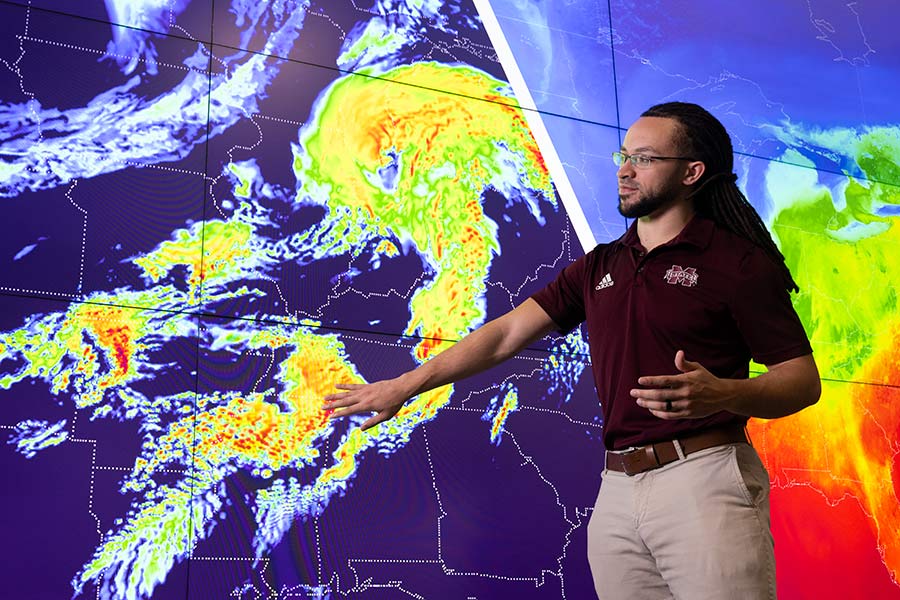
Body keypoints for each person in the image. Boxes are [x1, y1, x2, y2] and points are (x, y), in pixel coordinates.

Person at [323, 101, 820, 599]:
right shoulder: (600, 265)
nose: (625, 171)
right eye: (624, 156)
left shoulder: (739, 265)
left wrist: (723, 394)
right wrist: (404, 386)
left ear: (692, 173)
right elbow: (504, 334)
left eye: (645, 159)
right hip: (618, 492)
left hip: (705, 481)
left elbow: (802, 380)